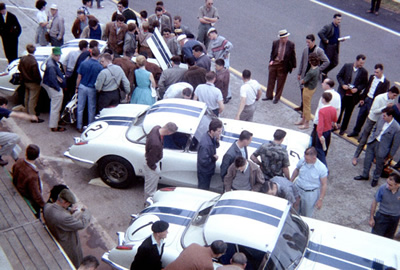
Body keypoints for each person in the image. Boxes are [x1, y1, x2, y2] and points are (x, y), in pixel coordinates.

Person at [43, 189, 91, 268]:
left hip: (55, 236)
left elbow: (58, 212)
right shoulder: (65, 217)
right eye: (69, 204)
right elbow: (82, 224)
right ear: (65, 202)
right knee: (75, 261)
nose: (69, 206)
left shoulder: (47, 207)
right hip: (67, 243)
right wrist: (87, 211)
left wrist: (69, 210)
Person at [354, 107, 400, 187]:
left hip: (383, 148)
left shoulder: (396, 128)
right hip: (373, 142)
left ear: (390, 116)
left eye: (385, 116)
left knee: (379, 165)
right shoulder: (381, 119)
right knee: (367, 159)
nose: (383, 117)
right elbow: (375, 128)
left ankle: (375, 179)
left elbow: (395, 144)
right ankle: (365, 175)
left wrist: (389, 156)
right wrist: (372, 136)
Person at [352, 87, 398, 166]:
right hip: (373, 120)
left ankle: (372, 157)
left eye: (395, 96)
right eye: (393, 95)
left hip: (381, 121)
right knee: (364, 139)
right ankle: (355, 156)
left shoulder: (392, 100)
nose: (394, 98)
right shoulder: (379, 98)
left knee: (376, 140)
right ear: (390, 92)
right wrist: (386, 107)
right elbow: (374, 111)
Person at [347, 63, 390, 138]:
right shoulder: (372, 77)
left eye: (377, 72)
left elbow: (383, 95)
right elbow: (367, 88)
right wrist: (362, 98)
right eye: (375, 72)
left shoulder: (385, 83)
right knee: (360, 117)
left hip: (374, 102)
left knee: (369, 120)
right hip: (367, 98)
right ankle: (356, 131)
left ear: (381, 72)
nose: (375, 74)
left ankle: (364, 136)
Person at [290, 147, 328, 217]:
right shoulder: (302, 160)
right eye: (305, 158)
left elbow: (324, 184)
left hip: (310, 194)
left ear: (314, 158)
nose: (305, 160)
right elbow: (297, 169)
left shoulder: (321, 168)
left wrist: (320, 199)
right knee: (293, 212)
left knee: (306, 215)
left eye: (307, 159)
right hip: (298, 189)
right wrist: (291, 181)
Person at [295, 34, 330, 112]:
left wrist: (318, 70)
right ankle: (302, 106)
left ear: (313, 41)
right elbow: (302, 61)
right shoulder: (305, 50)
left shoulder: (319, 51)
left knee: (307, 95)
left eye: (309, 42)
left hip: (312, 76)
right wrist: (299, 73)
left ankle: (305, 111)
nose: (307, 44)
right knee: (303, 92)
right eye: (306, 42)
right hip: (305, 74)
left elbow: (327, 61)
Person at [336, 54, 369, 135]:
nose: (361, 65)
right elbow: (339, 76)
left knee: (348, 113)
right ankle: (336, 124)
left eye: (363, 63)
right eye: (360, 63)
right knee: (340, 110)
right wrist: (343, 84)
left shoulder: (364, 72)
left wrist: (357, 89)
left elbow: (364, 84)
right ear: (357, 60)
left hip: (353, 96)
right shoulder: (347, 66)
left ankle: (343, 128)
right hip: (343, 93)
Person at [144, 123, 178, 200]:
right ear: (169, 132)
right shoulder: (156, 144)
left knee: (150, 183)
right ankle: (148, 202)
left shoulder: (156, 128)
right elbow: (150, 160)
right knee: (150, 187)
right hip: (151, 163)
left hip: (151, 158)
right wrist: (154, 168)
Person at [0, 97, 37, 166]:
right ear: (3, 105)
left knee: (10, 141)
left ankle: (16, 158)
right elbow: (18, 115)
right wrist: (31, 117)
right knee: (15, 138)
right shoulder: (1, 110)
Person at [264, 29, 296, 104]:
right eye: (284, 38)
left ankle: (277, 97)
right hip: (275, 63)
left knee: (280, 83)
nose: (286, 39)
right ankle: (269, 96)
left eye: (287, 37)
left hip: (283, 65)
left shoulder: (291, 44)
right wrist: (271, 60)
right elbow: (272, 53)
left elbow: (293, 55)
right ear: (281, 38)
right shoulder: (275, 43)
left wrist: (293, 65)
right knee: (271, 81)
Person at [12, 144, 44, 218]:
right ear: (37, 156)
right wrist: (43, 205)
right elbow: (36, 194)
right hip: (26, 195)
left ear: (26, 153)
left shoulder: (19, 161)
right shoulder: (32, 175)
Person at [76, 47, 103, 132]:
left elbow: (79, 77)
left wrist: (77, 87)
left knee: (80, 107)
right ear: (99, 56)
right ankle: (90, 126)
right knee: (91, 108)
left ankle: (79, 126)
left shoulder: (84, 63)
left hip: (82, 86)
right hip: (92, 88)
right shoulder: (99, 67)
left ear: (91, 54)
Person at [42, 47, 66, 132]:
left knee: (55, 106)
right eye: (56, 55)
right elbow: (52, 79)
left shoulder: (50, 61)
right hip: (53, 87)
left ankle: (56, 121)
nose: (58, 57)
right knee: (55, 107)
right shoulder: (52, 66)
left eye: (59, 55)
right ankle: (54, 125)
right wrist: (58, 88)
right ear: (52, 55)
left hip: (48, 84)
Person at [18, 44, 44, 122]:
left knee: (27, 97)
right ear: (35, 50)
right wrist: (39, 81)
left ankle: (27, 112)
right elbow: (36, 74)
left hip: (25, 81)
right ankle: (33, 116)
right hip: (33, 83)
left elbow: (19, 68)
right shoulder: (33, 62)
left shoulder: (23, 58)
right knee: (32, 100)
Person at [369, 173, 400, 239]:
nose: (387, 186)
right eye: (387, 183)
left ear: (397, 185)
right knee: (375, 237)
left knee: (388, 239)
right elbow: (375, 202)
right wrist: (371, 218)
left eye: (390, 185)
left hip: (395, 219)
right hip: (382, 216)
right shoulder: (382, 188)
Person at [294, 53, 320, 129]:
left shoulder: (311, 72)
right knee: (306, 105)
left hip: (308, 89)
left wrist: (302, 80)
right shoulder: (317, 68)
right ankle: (303, 120)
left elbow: (303, 81)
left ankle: (306, 123)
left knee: (306, 106)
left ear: (310, 61)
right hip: (312, 88)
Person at [197, 119, 223, 190]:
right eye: (219, 131)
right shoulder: (205, 144)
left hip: (208, 170)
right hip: (204, 172)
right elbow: (203, 161)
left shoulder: (212, 137)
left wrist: (217, 141)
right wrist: (213, 158)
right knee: (203, 189)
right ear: (212, 131)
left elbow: (215, 146)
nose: (220, 133)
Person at [314, 92, 337, 167]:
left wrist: (320, 135)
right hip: (329, 130)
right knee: (325, 147)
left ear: (323, 99)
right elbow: (335, 119)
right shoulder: (333, 109)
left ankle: (324, 166)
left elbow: (320, 124)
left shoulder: (322, 110)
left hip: (322, 132)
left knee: (319, 149)